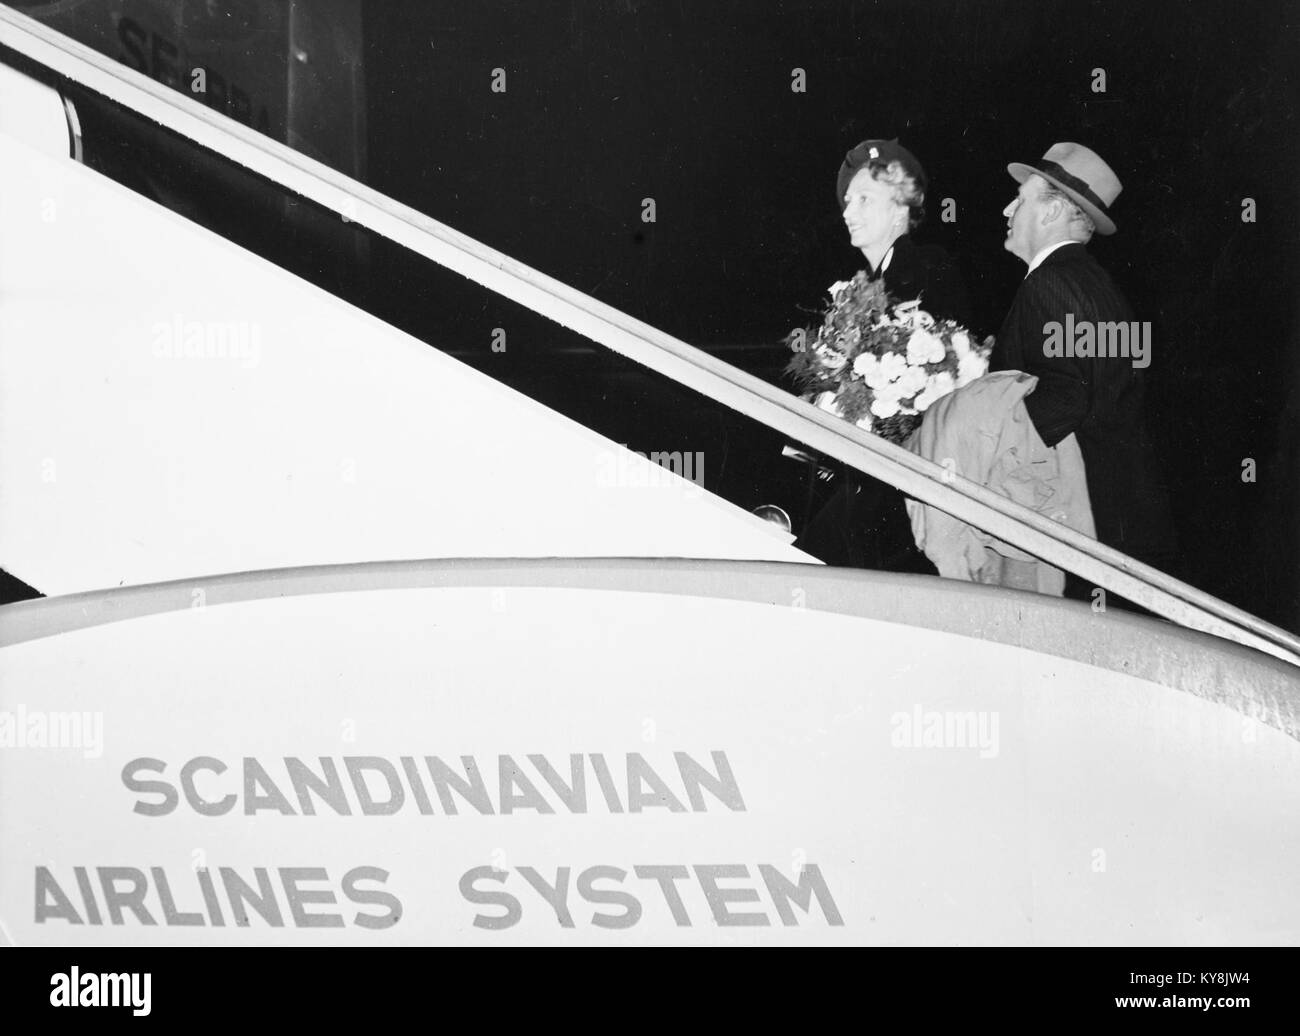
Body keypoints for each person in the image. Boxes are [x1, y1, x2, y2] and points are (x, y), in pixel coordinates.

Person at [991, 142, 1176, 596]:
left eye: (1022, 197)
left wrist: (987, 445)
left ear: (1052, 212)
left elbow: (1068, 397)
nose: (1007, 208)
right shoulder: (1098, 285)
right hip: (1127, 526)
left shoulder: (1049, 282)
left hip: (1083, 535)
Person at [796, 138, 971, 572]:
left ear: (901, 208)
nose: (847, 211)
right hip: (870, 474)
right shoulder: (861, 288)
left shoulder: (928, 267)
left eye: (864, 199)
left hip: (905, 484)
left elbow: (950, 377)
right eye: (848, 201)